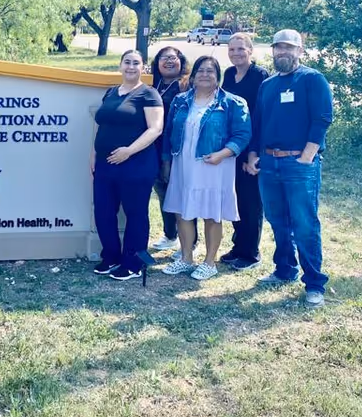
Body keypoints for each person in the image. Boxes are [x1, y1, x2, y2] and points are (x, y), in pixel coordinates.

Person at [245, 29, 333, 306]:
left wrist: (307, 155)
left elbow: (322, 118)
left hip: (300, 163)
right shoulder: (268, 85)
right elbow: (258, 124)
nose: (282, 52)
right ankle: (285, 270)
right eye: (277, 48)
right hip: (269, 162)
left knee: (305, 223)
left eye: (288, 48)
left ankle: (314, 283)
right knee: (277, 220)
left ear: (300, 51)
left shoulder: (312, 79)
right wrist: (252, 155)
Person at [161, 56, 251, 280]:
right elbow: (168, 132)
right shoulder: (181, 101)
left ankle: (210, 263)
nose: (204, 74)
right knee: (182, 211)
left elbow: (243, 134)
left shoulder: (233, 103)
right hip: (183, 163)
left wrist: (223, 153)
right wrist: (166, 161)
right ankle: (186, 258)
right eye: (200, 70)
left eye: (210, 71)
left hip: (214, 165)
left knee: (212, 213)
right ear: (192, 76)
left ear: (218, 76)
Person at [91, 50, 164, 281]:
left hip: (136, 164)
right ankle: (111, 257)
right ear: (120, 66)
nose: (131, 67)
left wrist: (129, 151)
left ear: (143, 68)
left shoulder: (149, 94)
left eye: (136, 63)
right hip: (105, 164)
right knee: (103, 211)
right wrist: (94, 153)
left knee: (135, 213)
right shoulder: (111, 92)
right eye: (127, 62)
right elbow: (102, 125)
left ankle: (133, 262)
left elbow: (155, 129)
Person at [219, 33, 270, 271]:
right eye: (232, 49)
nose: (236, 53)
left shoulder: (260, 76)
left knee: (251, 201)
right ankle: (238, 246)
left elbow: (262, 117)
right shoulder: (229, 74)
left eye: (241, 49)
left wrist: (253, 153)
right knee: (235, 198)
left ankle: (251, 253)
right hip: (233, 147)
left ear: (251, 51)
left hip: (251, 147)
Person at [148, 46, 196, 256]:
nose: (168, 61)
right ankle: (170, 235)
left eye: (173, 58)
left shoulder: (187, 85)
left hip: (180, 147)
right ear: (157, 62)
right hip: (154, 147)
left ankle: (191, 241)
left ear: (181, 61)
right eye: (163, 58)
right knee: (163, 192)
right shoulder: (152, 84)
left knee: (183, 194)